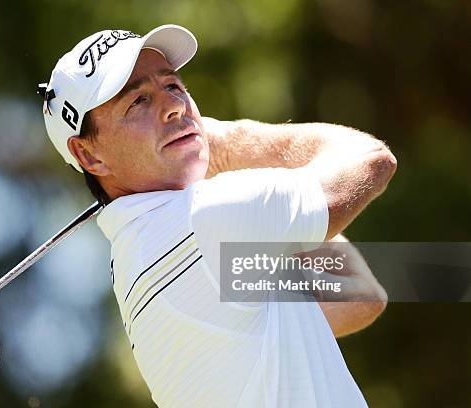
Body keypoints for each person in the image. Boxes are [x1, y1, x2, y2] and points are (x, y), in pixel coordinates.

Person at [38, 24, 396, 407]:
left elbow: (356, 294)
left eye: (173, 86)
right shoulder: (197, 223)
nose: (174, 106)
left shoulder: (145, 251)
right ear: (89, 155)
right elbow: (371, 160)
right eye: (137, 101)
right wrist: (229, 144)